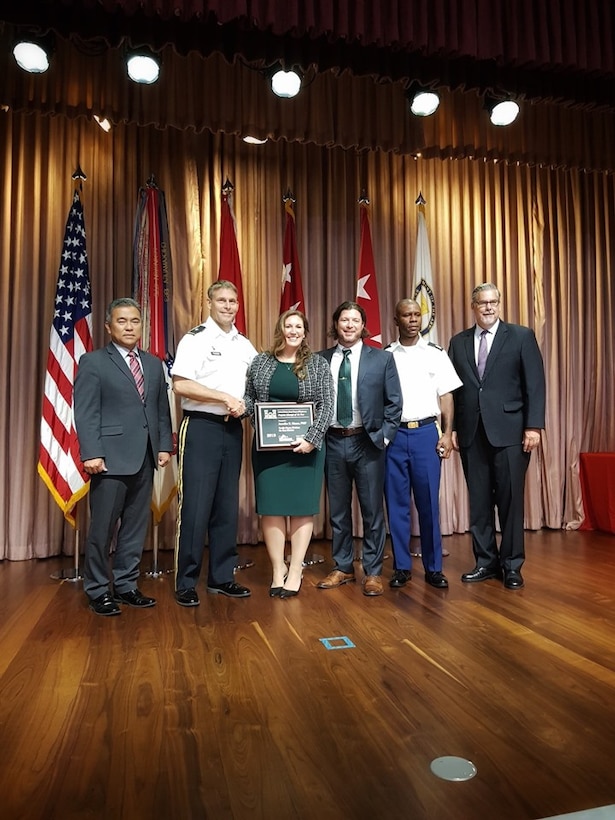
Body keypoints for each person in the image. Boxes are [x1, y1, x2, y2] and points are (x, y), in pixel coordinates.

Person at [74, 297, 173, 616]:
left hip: (145, 457)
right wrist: (92, 452)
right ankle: (97, 589)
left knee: (134, 527)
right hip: (108, 459)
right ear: (108, 326)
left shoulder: (154, 363)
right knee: (102, 529)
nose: (129, 327)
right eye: (122, 321)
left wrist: (163, 446)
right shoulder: (93, 362)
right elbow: (86, 412)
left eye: (134, 321)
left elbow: (159, 409)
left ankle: (127, 585)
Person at [448, 283, 546, 589]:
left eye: (494, 302)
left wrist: (533, 426)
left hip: (512, 433)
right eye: (483, 303)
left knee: (510, 500)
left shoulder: (520, 336)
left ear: (499, 304)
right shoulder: (458, 342)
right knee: (479, 502)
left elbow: (535, 384)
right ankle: (485, 562)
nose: (489, 308)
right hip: (470, 434)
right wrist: (449, 429)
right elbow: (451, 391)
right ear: (473, 306)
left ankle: (512, 565)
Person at [172, 280, 257, 606]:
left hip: (233, 429)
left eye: (233, 301)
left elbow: (253, 388)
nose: (227, 306)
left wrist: (244, 405)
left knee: (226, 507)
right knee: (195, 507)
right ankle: (185, 581)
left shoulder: (244, 344)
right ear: (208, 303)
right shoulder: (196, 339)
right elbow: (181, 385)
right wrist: (222, 397)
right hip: (201, 427)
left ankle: (222, 577)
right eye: (221, 300)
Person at [244, 310, 334, 598]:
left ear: (305, 332)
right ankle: (276, 569)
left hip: (306, 451)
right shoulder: (260, 362)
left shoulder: (318, 364)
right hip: (269, 450)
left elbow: (326, 404)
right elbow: (250, 399)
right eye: (288, 325)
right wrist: (240, 409)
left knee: (300, 509)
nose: (293, 330)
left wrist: (311, 438)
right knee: (270, 509)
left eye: (299, 326)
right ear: (280, 329)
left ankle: (295, 569)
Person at [318, 301, 402, 597]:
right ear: (336, 324)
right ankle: (342, 567)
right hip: (332, 441)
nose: (350, 325)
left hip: (368, 443)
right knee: (338, 512)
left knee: (371, 511)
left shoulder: (381, 360)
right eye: (344, 320)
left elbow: (394, 403)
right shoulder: (320, 359)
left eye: (355, 320)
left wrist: (385, 438)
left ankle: (373, 571)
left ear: (363, 325)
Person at [384, 299, 462, 590]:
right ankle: (402, 567)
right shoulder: (386, 356)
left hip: (427, 433)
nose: (413, 319)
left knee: (429, 504)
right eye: (407, 315)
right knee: (397, 505)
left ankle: (433, 568)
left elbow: (447, 397)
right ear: (397, 319)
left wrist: (447, 434)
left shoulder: (436, 354)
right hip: (395, 435)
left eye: (417, 314)